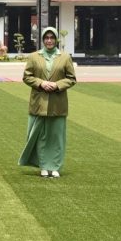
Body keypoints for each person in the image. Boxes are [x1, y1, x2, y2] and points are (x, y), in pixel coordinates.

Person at [18, 27, 77, 178]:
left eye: (52, 38)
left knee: (56, 137)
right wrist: (41, 83)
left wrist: (57, 85)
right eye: (46, 38)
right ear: (43, 39)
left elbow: (71, 78)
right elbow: (27, 76)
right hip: (39, 102)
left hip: (58, 103)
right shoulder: (34, 56)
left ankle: (55, 166)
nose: (49, 40)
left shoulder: (65, 57)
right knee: (40, 136)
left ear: (56, 39)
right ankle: (43, 165)